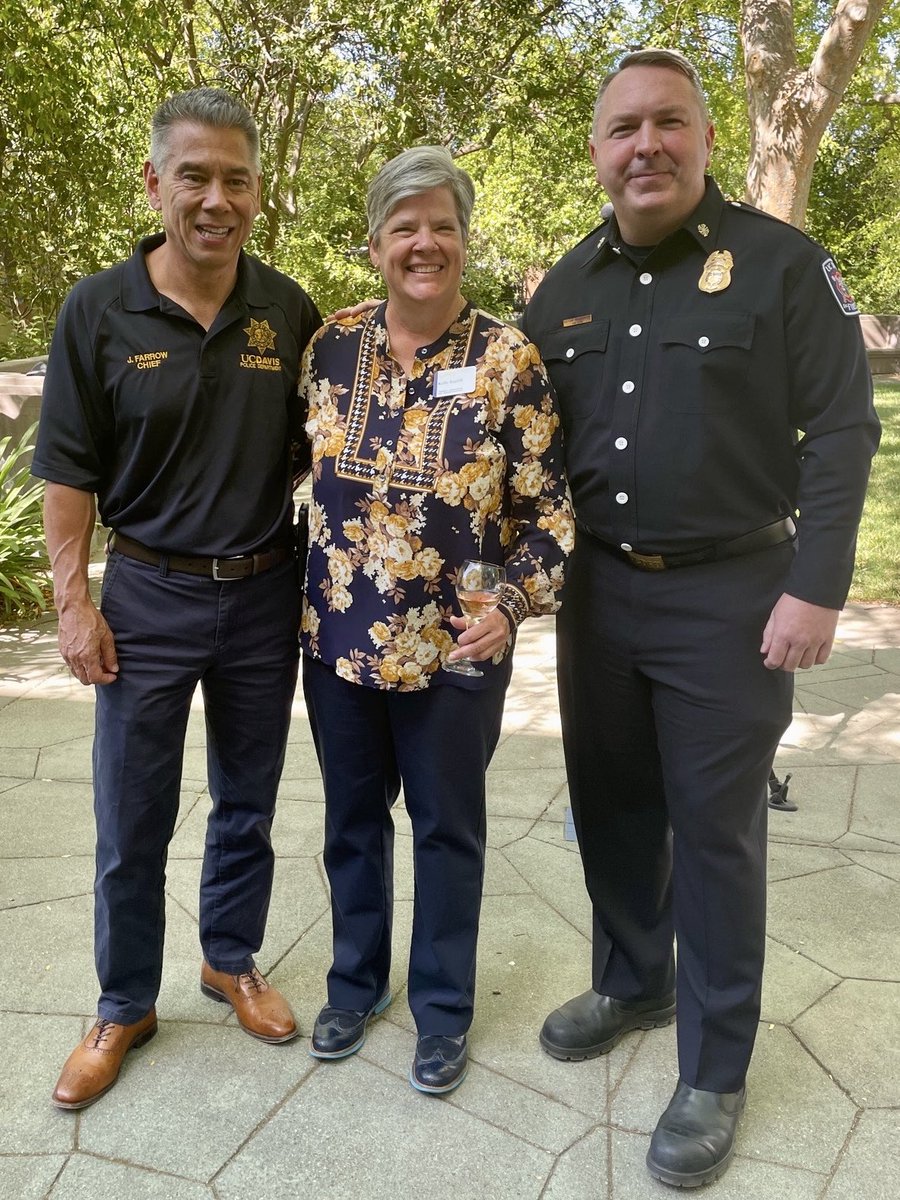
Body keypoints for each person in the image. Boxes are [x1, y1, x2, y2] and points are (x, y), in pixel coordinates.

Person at [521, 48, 880, 1187]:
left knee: (716, 832)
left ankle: (714, 1067)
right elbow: (524, 455)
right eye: (624, 129)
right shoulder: (562, 286)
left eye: (669, 123)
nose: (647, 147)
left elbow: (843, 432)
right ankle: (635, 979)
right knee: (613, 803)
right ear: (596, 151)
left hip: (732, 595)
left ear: (707, 137)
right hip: (600, 593)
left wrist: (817, 585)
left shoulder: (782, 266)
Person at [32, 87, 322, 1110]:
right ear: (156, 183)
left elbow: (332, 428)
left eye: (235, 180)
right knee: (132, 817)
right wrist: (76, 603)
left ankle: (229, 959)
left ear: (256, 193)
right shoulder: (97, 310)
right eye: (193, 176)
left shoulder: (287, 310)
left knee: (246, 802)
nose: (215, 198)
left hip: (260, 594)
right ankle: (123, 1003)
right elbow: (66, 470)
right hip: (146, 597)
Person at [300, 145, 573, 1094]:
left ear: (464, 240)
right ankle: (354, 984)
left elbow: (549, 516)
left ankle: (443, 1010)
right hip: (336, 642)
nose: (425, 243)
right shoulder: (330, 344)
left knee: (448, 828)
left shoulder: (508, 359)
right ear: (376, 244)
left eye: (442, 226)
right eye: (404, 226)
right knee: (350, 821)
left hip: (457, 652)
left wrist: (510, 602)